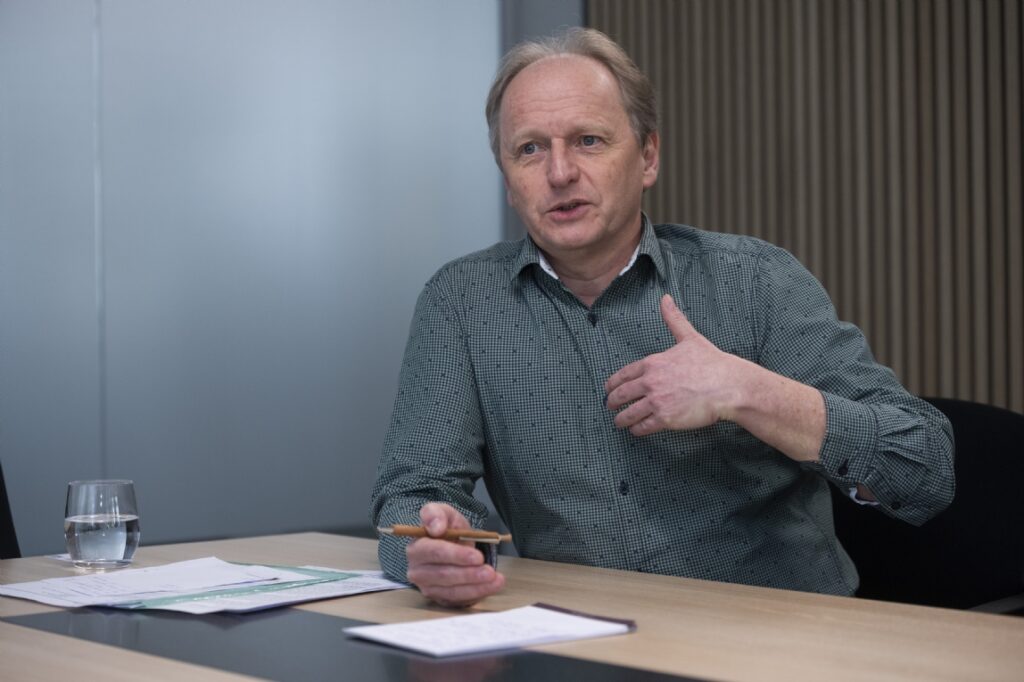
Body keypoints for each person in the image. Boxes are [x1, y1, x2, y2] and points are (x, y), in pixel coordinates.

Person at [369, 27, 954, 608]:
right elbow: (413, 492)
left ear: (648, 156)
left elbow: (926, 468)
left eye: (589, 141)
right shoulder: (460, 302)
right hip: (581, 644)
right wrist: (430, 547)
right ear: (507, 179)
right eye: (530, 149)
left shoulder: (754, 280)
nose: (560, 172)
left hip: (775, 644)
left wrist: (749, 391)